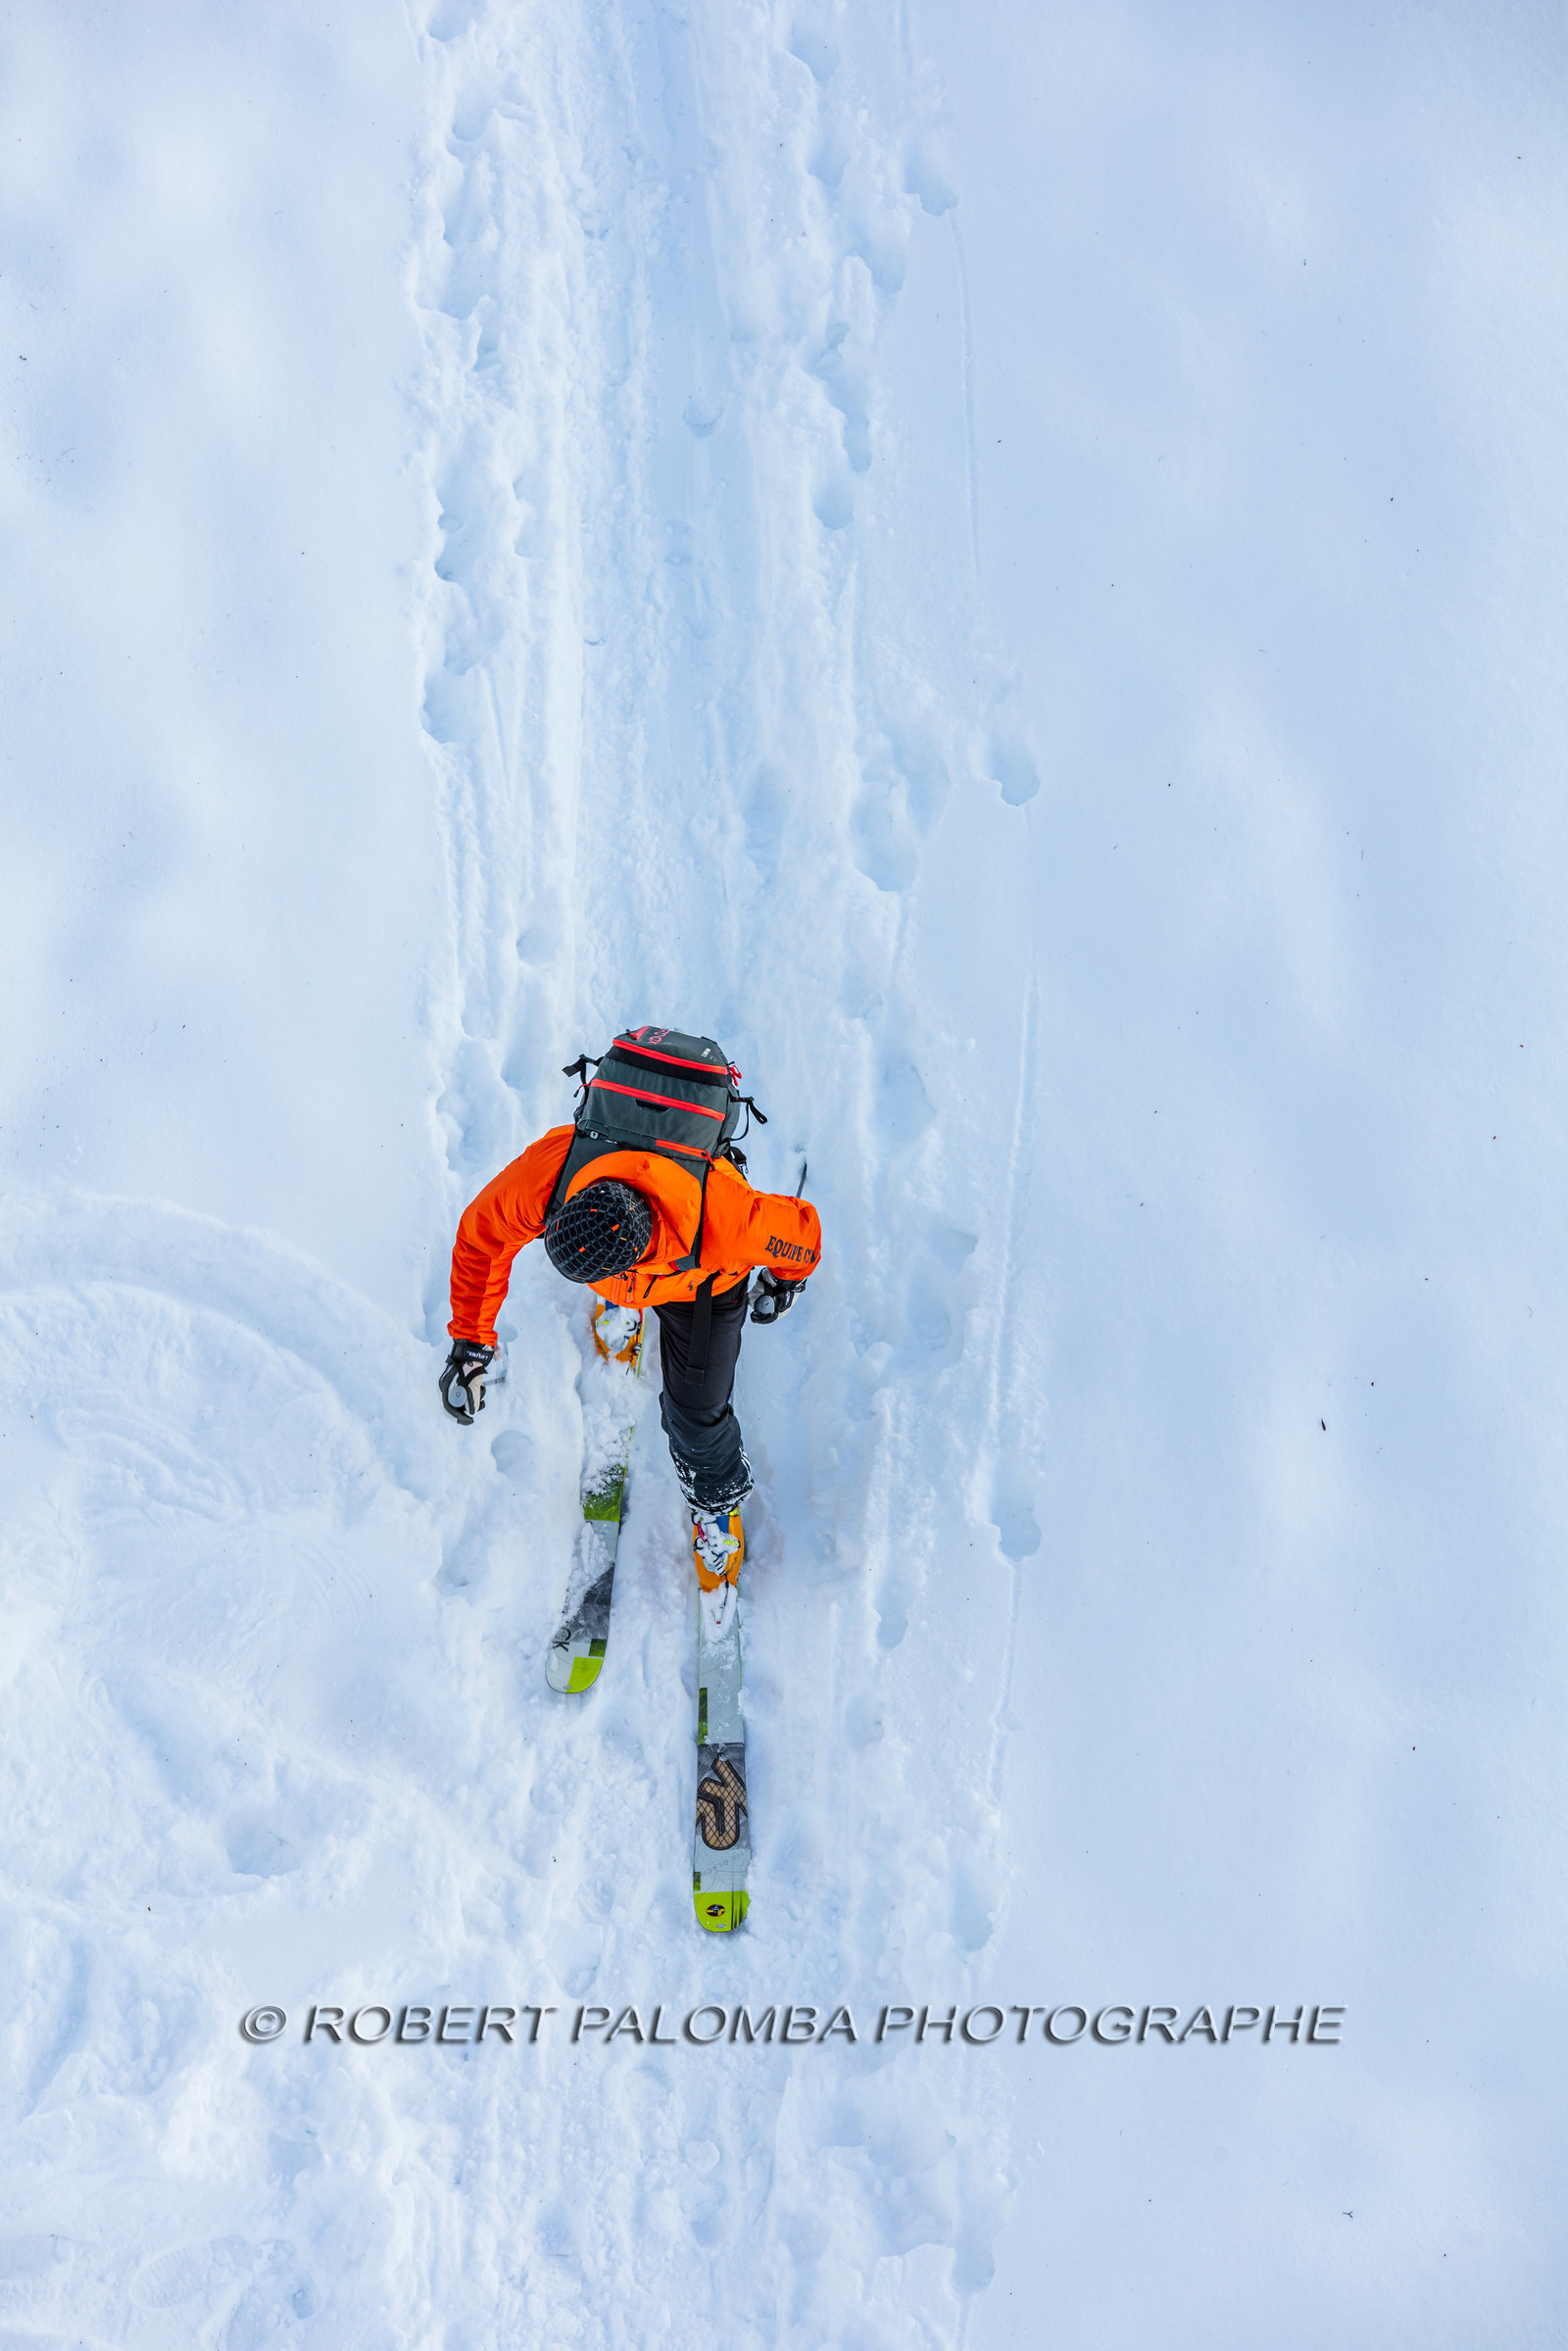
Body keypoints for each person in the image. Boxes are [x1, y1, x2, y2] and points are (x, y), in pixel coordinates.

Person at [437, 1027, 821, 1592]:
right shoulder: (555, 1173)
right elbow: (482, 1237)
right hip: (621, 1255)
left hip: (700, 1287)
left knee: (696, 1416)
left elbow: (803, 1235)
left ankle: (715, 1504)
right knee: (603, 1260)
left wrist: (784, 1282)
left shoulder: (728, 1220)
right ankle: (621, 1297)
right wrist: (471, 1341)